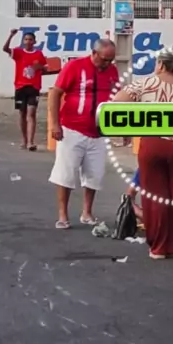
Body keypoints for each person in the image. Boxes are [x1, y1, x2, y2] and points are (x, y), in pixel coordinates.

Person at [112, 46, 173, 260]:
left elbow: (117, 101)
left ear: (162, 64)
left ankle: (159, 248)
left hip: (152, 144)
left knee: (155, 197)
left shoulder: (145, 83)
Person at [49, 39, 119, 230]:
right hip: (72, 129)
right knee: (66, 174)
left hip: (99, 132)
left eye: (111, 60)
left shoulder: (112, 71)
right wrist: (55, 124)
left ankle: (87, 213)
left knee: (94, 175)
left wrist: (122, 128)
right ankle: (63, 215)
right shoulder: (74, 66)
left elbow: (116, 99)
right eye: (104, 59)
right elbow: (55, 93)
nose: (107, 64)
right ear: (94, 53)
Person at [3, 29, 49, 150]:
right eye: (26, 39)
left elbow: (45, 69)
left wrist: (39, 67)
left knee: (31, 113)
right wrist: (11, 35)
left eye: (30, 39)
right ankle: (24, 140)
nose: (28, 41)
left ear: (34, 41)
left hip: (34, 87)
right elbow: (5, 49)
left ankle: (30, 142)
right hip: (20, 87)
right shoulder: (19, 52)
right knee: (22, 113)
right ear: (23, 41)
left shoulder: (39, 54)